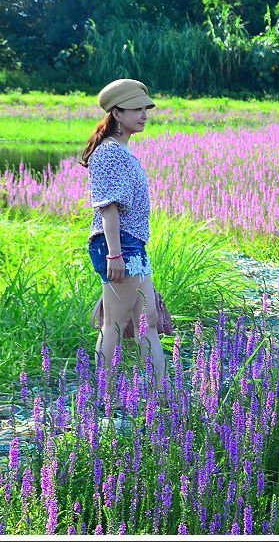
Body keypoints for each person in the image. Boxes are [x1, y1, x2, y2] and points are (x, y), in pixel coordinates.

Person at [78, 78, 166, 400]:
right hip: (118, 245)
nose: (144, 115)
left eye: (145, 108)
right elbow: (108, 208)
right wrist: (115, 255)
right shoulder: (109, 153)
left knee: (149, 324)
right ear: (116, 113)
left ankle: (161, 399)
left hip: (132, 245)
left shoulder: (123, 150)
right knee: (113, 325)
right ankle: (105, 398)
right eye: (136, 109)